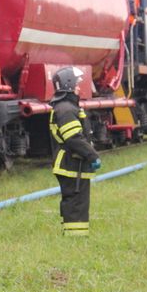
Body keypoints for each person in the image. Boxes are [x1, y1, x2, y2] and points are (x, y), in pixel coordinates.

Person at [48, 67, 101, 236]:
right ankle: (75, 237)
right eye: (77, 84)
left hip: (73, 163)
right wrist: (92, 155)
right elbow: (73, 138)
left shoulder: (67, 107)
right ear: (68, 84)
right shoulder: (66, 109)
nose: (79, 87)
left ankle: (73, 234)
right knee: (76, 201)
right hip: (71, 163)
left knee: (76, 200)